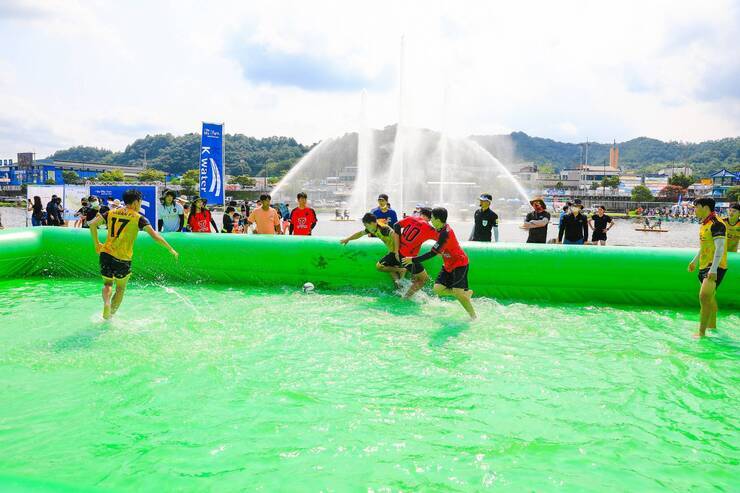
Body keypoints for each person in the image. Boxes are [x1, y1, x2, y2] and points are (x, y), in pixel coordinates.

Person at [88, 189, 178, 320]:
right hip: (123, 258)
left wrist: (97, 243)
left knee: (107, 284)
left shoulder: (111, 212)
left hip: (106, 253)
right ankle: (110, 317)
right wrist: (170, 248)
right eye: (140, 202)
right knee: (120, 288)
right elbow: (155, 236)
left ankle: (107, 302)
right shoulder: (138, 218)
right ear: (136, 202)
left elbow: (92, 225)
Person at [403, 207, 476, 319]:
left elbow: (432, 253)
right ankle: (464, 293)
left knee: (458, 294)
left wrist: (412, 259)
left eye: (432, 218)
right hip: (448, 264)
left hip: (459, 263)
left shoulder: (445, 234)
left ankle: (473, 317)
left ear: (438, 219)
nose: (430, 220)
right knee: (437, 289)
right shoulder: (439, 228)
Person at [687, 197, 728, 338]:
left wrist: (713, 269)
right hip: (704, 266)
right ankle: (712, 326)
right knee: (710, 299)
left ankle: (701, 332)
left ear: (705, 207)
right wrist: (694, 261)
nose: (694, 210)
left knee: (704, 297)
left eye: (696, 207)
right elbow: (704, 246)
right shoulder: (704, 224)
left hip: (715, 266)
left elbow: (720, 248)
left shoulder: (717, 224)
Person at [340, 213, 401, 286]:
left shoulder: (384, 229)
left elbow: (396, 235)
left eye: (366, 225)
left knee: (379, 266)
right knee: (391, 269)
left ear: (372, 223)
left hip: (396, 252)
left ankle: (401, 270)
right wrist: (348, 239)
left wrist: (397, 252)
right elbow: (360, 234)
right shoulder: (373, 228)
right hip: (392, 251)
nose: (365, 227)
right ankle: (400, 287)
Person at [392, 207, 439, 298]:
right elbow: (442, 240)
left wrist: (396, 250)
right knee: (423, 279)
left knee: (415, 277)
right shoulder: (428, 228)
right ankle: (406, 298)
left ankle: (405, 292)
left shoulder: (411, 218)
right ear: (430, 218)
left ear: (421, 213)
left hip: (400, 253)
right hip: (409, 258)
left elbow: (396, 225)